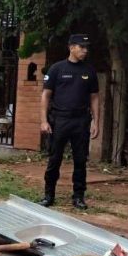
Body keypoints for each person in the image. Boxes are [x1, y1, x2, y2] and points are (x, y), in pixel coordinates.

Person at [40, 34, 100, 210]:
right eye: (81, 47)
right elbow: (46, 95)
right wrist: (44, 121)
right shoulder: (57, 69)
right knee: (54, 159)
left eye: (86, 47)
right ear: (71, 47)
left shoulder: (89, 71)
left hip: (81, 120)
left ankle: (78, 196)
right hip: (60, 119)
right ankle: (48, 195)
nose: (85, 50)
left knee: (80, 160)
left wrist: (96, 121)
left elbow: (95, 97)